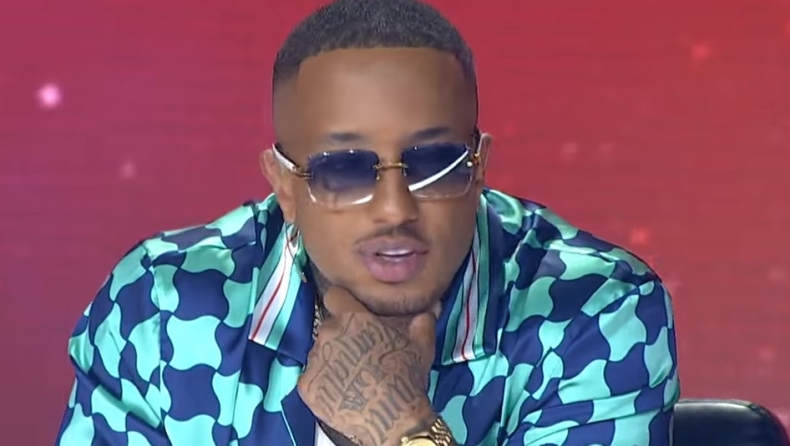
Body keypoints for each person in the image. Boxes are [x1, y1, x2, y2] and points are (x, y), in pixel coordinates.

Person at [55, 0, 679, 444]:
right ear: (284, 187)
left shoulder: (594, 310)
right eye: (345, 170)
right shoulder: (162, 307)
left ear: (479, 168)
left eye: (434, 163)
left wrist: (406, 428)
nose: (395, 208)